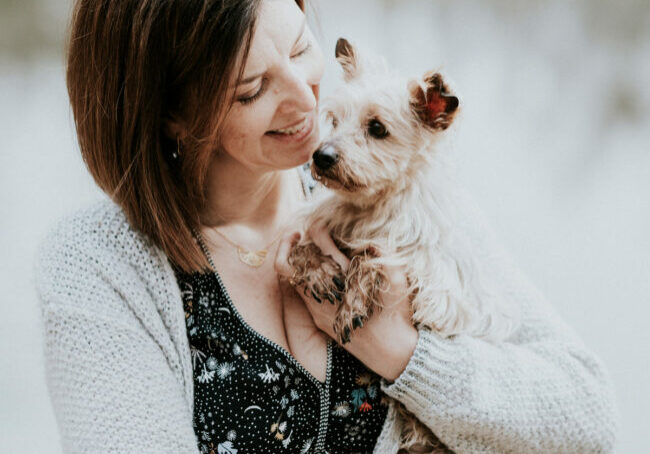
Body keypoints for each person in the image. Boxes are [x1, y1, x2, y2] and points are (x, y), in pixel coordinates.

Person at [34, 0, 619, 453]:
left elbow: (586, 419)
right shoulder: (98, 267)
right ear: (172, 117)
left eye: (298, 48)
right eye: (252, 90)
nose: (305, 102)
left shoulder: (405, 196)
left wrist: (407, 356)